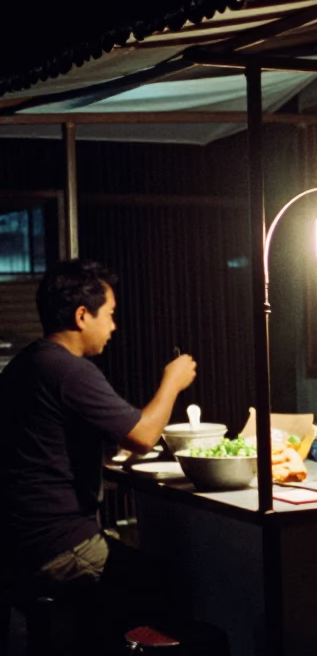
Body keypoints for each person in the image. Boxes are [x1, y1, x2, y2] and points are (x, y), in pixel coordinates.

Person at [0, 259, 196, 616]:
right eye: (109, 314)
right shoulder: (70, 370)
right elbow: (143, 437)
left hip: (16, 543)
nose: (113, 326)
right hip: (55, 545)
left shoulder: (27, 363)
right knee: (171, 584)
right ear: (81, 316)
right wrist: (173, 382)